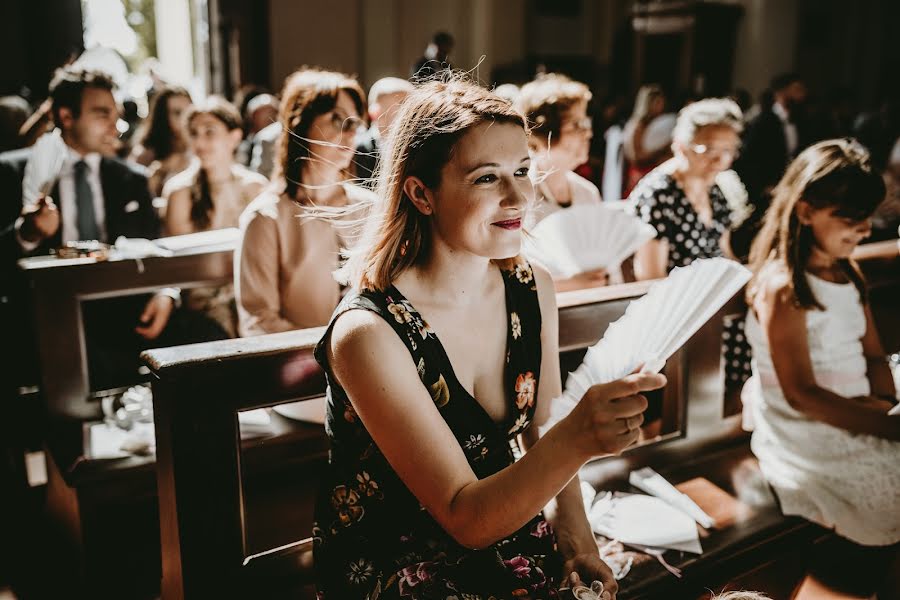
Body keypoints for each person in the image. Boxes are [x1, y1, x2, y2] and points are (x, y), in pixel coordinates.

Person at [312, 76, 666, 598]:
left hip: (509, 534)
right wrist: (581, 439)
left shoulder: (530, 287)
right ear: (420, 193)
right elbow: (464, 516)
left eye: (523, 170)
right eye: (486, 178)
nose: (520, 195)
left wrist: (577, 538)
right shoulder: (368, 332)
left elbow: (544, 426)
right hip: (398, 570)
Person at [743, 139, 899, 600]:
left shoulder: (846, 273)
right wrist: (885, 428)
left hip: (856, 410)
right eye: (850, 220)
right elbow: (801, 393)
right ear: (807, 211)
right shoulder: (784, 288)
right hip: (804, 427)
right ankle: (843, 588)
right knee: (886, 492)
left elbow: (873, 354)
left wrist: (888, 405)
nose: (864, 229)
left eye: (866, 218)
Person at [0, 67, 187, 389]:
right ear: (66, 116)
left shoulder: (132, 179)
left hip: (121, 316)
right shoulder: (11, 172)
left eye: (116, 115)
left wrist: (165, 293)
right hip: (44, 320)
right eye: (102, 114)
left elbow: (154, 244)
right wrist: (27, 233)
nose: (116, 126)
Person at [234, 69, 373, 337]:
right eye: (336, 119)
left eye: (354, 123)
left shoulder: (372, 208)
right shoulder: (265, 218)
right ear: (301, 123)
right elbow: (259, 322)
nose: (349, 134)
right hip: (300, 365)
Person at [163, 97, 268, 337]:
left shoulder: (255, 187)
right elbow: (179, 265)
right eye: (194, 133)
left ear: (235, 136)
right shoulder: (179, 191)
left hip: (252, 293)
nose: (200, 142)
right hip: (202, 304)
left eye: (209, 132)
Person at [629, 98, 744, 280]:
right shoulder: (659, 194)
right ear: (682, 146)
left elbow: (725, 254)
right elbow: (650, 277)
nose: (720, 160)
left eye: (728, 150)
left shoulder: (714, 191)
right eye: (710, 149)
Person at [515, 73, 610, 291]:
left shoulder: (588, 193)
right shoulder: (519, 194)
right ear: (543, 130)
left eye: (587, 122)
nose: (588, 133)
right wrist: (571, 284)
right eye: (577, 124)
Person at [731, 73, 809, 259]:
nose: (803, 95)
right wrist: (763, 187)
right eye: (797, 90)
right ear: (781, 92)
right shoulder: (763, 121)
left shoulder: (800, 121)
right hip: (764, 193)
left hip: (788, 188)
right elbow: (747, 160)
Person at [129, 85, 193, 197]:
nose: (185, 118)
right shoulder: (145, 154)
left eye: (189, 110)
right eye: (177, 113)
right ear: (163, 117)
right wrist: (161, 170)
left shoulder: (199, 146)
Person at [355, 77, 414, 185]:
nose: (413, 115)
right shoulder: (356, 151)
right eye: (403, 106)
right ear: (376, 113)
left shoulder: (418, 146)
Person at [622, 84, 672, 197]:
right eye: (657, 102)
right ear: (647, 104)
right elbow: (636, 157)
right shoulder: (638, 125)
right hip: (640, 175)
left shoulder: (657, 124)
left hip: (653, 173)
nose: (660, 106)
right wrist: (663, 149)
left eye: (661, 102)